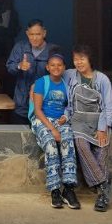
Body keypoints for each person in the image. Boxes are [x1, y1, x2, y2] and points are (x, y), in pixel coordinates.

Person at [64, 44, 112, 212]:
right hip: (78, 120)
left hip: (98, 121)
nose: (78, 62)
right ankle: (104, 187)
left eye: (82, 59)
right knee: (81, 144)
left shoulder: (102, 79)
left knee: (102, 150)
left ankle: (101, 191)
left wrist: (103, 128)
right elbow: (53, 74)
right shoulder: (70, 75)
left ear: (90, 60)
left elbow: (108, 106)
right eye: (75, 59)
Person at [29, 53, 80, 209]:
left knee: (68, 143)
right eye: (53, 65)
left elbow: (69, 107)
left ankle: (69, 189)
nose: (56, 68)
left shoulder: (67, 84)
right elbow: (37, 110)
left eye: (59, 65)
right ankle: (55, 190)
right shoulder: (41, 83)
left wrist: (65, 116)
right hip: (42, 120)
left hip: (60, 121)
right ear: (47, 67)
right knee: (51, 144)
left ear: (64, 67)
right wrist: (52, 129)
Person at [5, 19, 60, 124]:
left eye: (38, 34)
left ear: (44, 33)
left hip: (46, 105)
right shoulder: (20, 47)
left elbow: (59, 74)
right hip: (22, 104)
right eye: (31, 34)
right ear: (27, 33)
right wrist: (19, 66)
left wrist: (40, 84)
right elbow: (9, 67)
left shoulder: (53, 50)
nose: (34, 38)